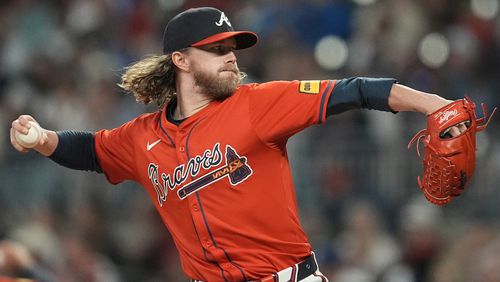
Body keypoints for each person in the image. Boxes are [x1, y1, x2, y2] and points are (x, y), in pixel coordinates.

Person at [10, 7, 465, 282]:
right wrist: (44, 139)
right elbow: (91, 151)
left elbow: (353, 89)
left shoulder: (256, 104)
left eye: (233, 46)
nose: (231, 56)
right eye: (217, 48)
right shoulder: (142, 137)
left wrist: (433, 103)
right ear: (181, 60)